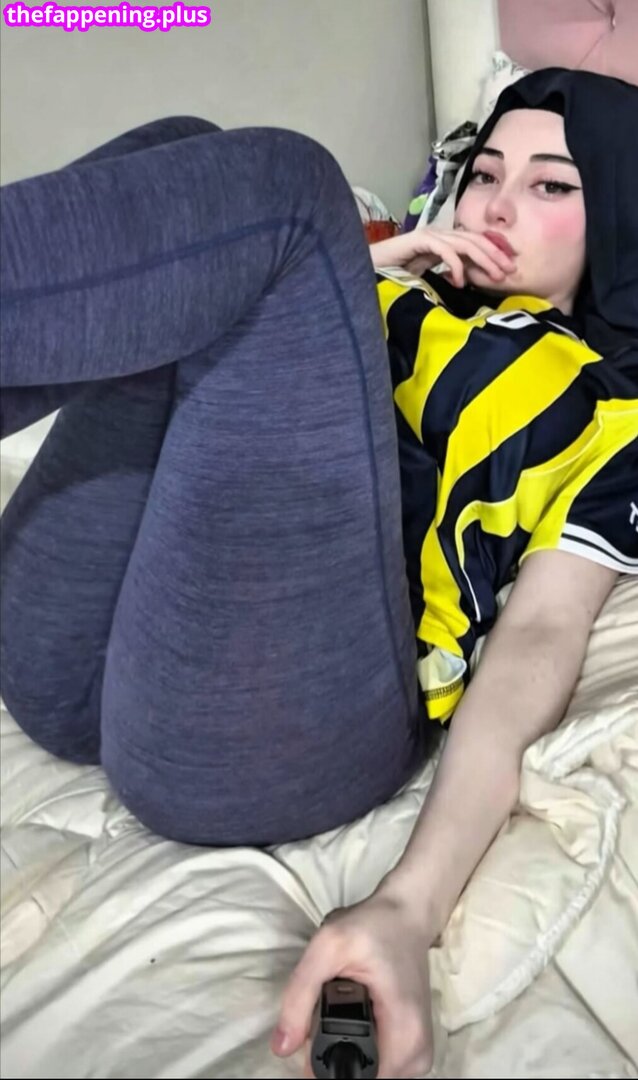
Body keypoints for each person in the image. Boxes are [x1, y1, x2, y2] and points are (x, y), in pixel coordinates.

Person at [1, 68, 636, 1077]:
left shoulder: (612, 412)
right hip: (80, 661)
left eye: (551, 185)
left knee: (294, 192)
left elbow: (540, 640)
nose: (495, 206)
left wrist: (409, 906)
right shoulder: (388, 284)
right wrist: (365, 266)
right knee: (184, 143)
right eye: (483, 174)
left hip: (279, 732)